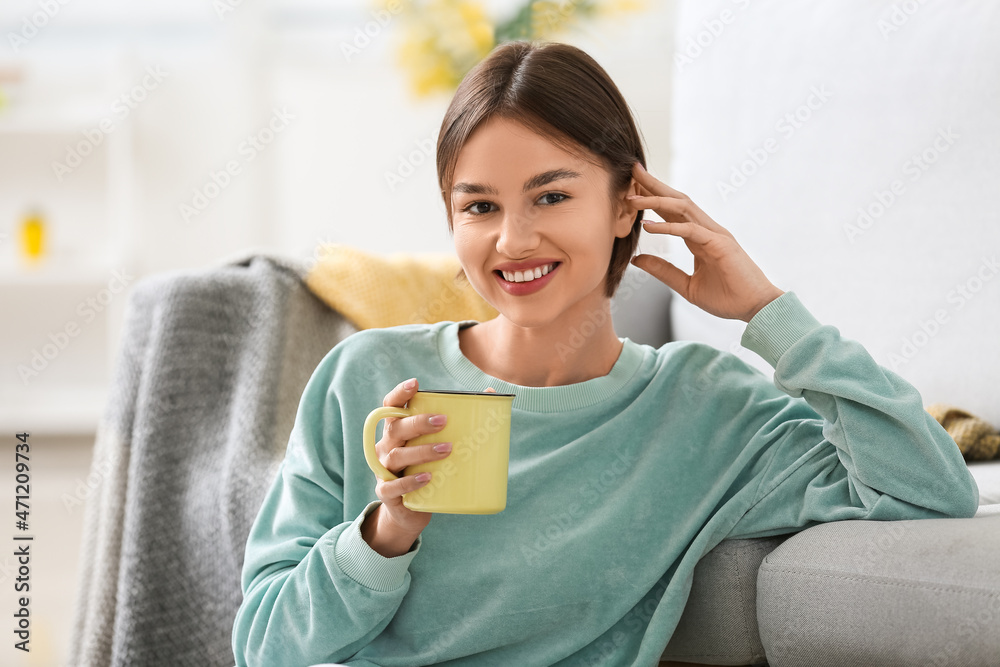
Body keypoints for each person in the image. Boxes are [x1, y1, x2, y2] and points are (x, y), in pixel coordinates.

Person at [231, 40, 979, 667]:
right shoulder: (365, 378)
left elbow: (928, 488)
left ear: (628, 204)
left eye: (551, 196)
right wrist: (383, 533)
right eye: (479, 206)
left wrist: (765, 310)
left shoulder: (705, 406)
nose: (513, 240)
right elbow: (262, 642)